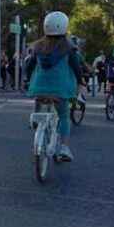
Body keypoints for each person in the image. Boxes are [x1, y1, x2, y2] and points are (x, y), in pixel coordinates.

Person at [24, 11, 82, 162]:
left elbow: (29, 67)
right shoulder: (68, 48)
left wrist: (27, 78)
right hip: (60, 89)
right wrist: (81, 81)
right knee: (63, 116)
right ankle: (64, 147)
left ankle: (35, 116)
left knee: (40, 91)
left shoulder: (38, 47)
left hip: (39, 87)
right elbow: (77, 68)